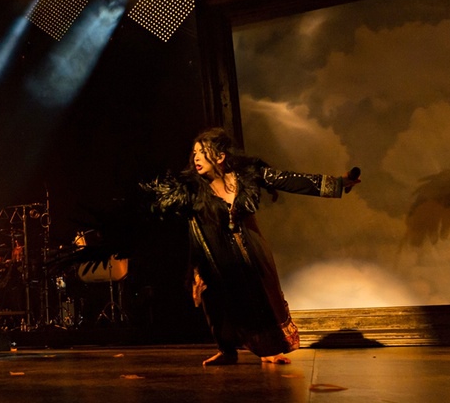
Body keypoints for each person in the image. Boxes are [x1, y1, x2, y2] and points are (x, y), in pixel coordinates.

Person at [142, 127, 360, 366]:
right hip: (211, 253)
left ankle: (267, 349)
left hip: (249, 249)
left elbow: (289, 180)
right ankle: (226, 350)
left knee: (259, 299)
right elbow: (159, 207)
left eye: (202, 152)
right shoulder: (189, 188)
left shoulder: (247, 174)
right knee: (213, 298)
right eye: (194, 153)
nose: (196, 158)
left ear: (220, 156)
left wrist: (339, 184)